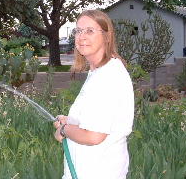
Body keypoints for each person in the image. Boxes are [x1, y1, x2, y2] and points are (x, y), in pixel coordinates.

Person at [54, 10, 134, 179]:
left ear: (107, 36)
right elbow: (98, 120)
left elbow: (94, 136)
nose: (81, 36)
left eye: (90, 31)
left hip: (97, 172)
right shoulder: (99, 72)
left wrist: (64, 129)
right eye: (78, 31)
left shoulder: (108, 77)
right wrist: (71, 122)